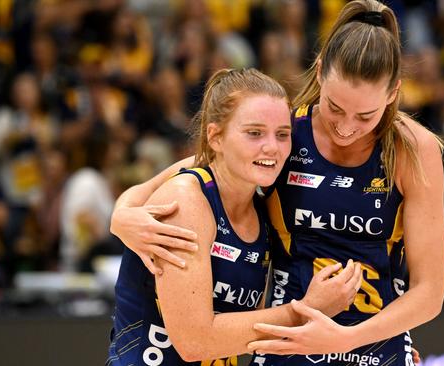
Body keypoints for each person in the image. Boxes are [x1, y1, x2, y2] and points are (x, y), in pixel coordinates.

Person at [111, 1, 444, 365]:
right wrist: (123, 215)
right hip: (286, 342)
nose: (347, 126)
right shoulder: (284, 134)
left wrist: (345, 338)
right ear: (319, 74)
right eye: (335, 107)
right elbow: (203, 166)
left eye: (366, 115)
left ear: (393, 93)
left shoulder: (413, 148)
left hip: (374, 345)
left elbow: (429, 292)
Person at [107, 68, 363, 366]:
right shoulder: (187, 198)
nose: (272, 147)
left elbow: (244, 332)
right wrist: (304, 310)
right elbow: (195, 342)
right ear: (215, 137)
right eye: (254, 133)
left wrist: (379, 349)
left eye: (282, 134)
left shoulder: (263, 202)